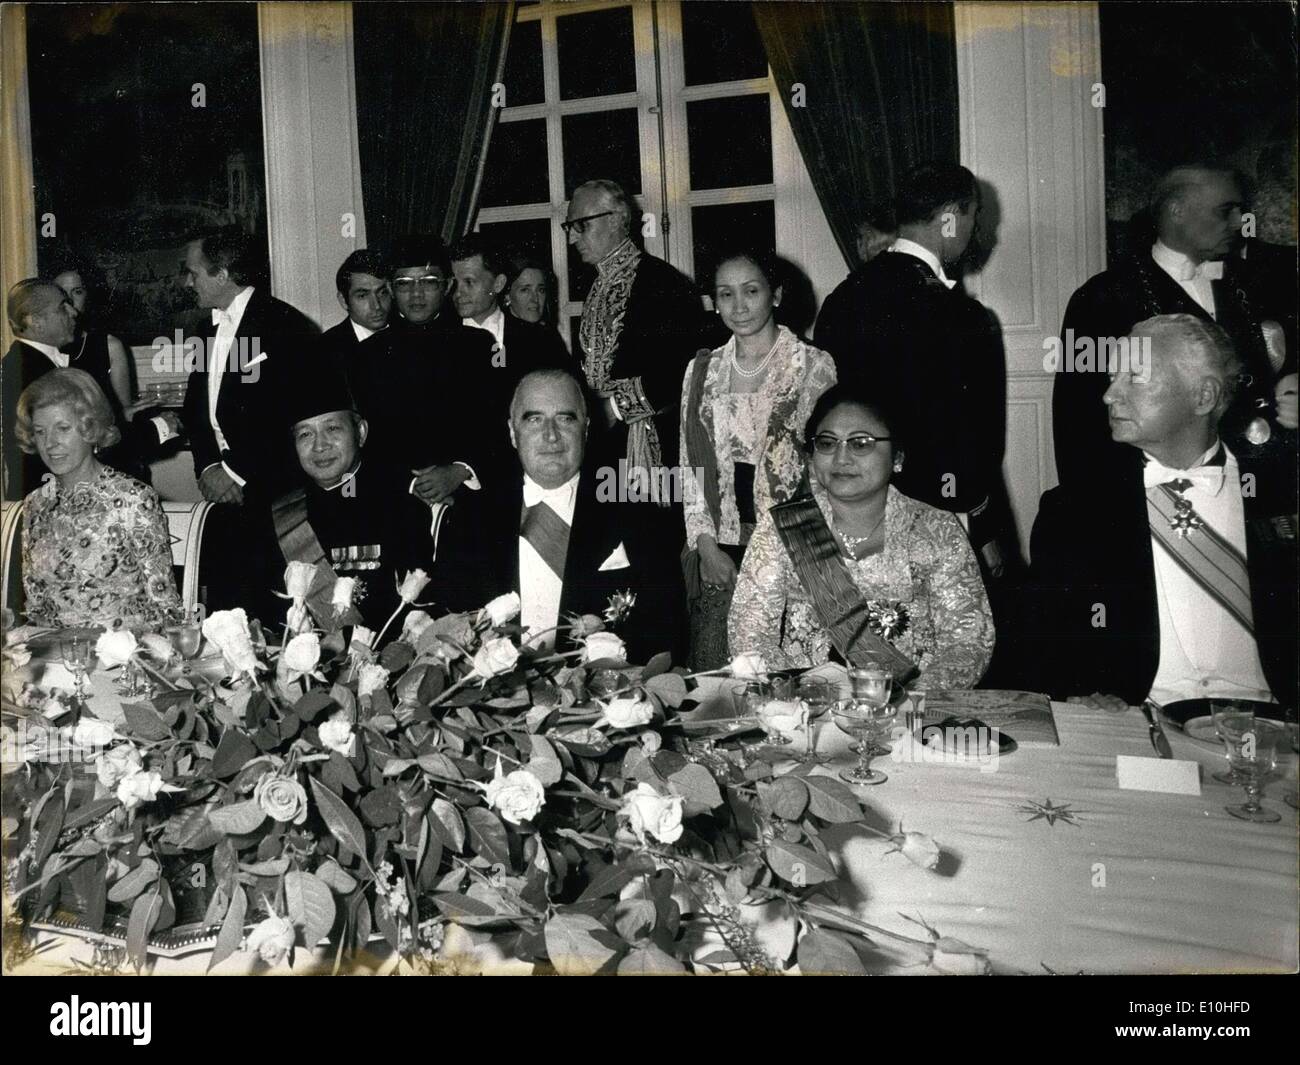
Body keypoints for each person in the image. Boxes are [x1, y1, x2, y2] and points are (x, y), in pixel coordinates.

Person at [1026, 314, 1296, 712]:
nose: (1108, 395)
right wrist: (1082, 692)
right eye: (1112, 377)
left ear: (1203, 396)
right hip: (1144, 723)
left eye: (1133, 377)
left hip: (1273, 727)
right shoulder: (1074, 510)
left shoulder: (1281, 492)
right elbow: (1047, 645)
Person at [812, 162, 1015, 581]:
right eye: (974, 217)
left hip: (857, 507)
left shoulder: (841, 300)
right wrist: (985, 526)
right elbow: (978, 438)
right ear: (949, 219)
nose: (979, 232)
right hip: (942, 514)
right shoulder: (964, 316)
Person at [729, 384, 994, 687]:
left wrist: (908, 702)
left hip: (912, 712)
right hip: (808, 714)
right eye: (827, 443)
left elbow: (968, 643)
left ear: (897, 457)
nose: (841, 457)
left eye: (861, 443)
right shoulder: (781, 529)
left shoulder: (936, 531)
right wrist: (801, 696)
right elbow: (749, 636)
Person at [430, 368, 685, 665]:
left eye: (566, 419)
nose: (551, 436)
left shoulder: (637, 515)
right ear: (513, 432)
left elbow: (666, 632)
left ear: (586, 429)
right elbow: (447, 629)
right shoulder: (469, 517)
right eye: (534, 419)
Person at [1053, 164, 1287, 487]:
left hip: (1256, 491)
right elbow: (1077, 420)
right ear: (1177, 211)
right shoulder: (1102, 298)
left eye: (1239, 210)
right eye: (1225, 211)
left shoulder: (1256, 284)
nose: (1238, 222)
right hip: (1147, 500)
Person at [679, 249, 836, 670]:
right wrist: (706, 546)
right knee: (720, 685)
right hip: (723, 551)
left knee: (793, 688)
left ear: (777, 294)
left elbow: (828, 472)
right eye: (725, 294)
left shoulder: (812, 366)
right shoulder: (702, 370)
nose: (739, 306)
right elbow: (690, 468)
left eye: (751, 291)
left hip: (795, 548)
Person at [251, 372, 435, 636]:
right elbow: (260, 607)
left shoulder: (401, 508)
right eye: (305, 434)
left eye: (332, 428)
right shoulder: (271, 515)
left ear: (360, 432)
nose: (320, 446)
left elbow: (414, 616)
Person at [568, 179, 706, 503]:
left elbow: (683, 370)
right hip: (603, 447)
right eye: (570, 226)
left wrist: (614, 407)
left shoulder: (666, 284)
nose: (573, 236)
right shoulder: (594, 285)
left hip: (654, 451)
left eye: (581, 225)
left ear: (616, 219)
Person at [16, 368, 182, 631]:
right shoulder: (35, 504)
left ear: (89, 428)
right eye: (40, 431)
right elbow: (36, 603)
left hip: (119, 656)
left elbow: (165, 607)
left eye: (62, 428)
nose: (50, 443)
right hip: (53, 655)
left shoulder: (132, 499)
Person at [179, 226, 319, 507]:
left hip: (277, 491)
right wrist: (208, 468)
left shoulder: (286, 324)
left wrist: (233, 473)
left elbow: (290, 416)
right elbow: (196, 409)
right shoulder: (206, 328)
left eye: (194, 274)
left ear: (221, 275)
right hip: (220, 489)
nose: (187, 283)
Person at [318, 249, 392, 374]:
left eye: (382, 293)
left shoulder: (410, 335)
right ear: (343, 300)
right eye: (363, 296)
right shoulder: (323, 351)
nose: (377, 306)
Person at [504, 253, 559, 331]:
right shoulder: (498, 336)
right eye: (525, 290)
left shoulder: (548, 334)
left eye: (541, 290)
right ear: (507, 295)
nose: (535, 299)